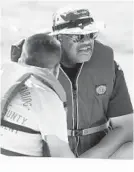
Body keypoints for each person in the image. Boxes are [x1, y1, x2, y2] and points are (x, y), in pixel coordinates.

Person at [10, 7, 133, 159]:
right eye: (78, 37)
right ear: (58, 38)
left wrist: (89, 160)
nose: (87, 42)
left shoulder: (109, 67)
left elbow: (126, 127)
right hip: (50, 156)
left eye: (90, 35)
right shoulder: (38, 64)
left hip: (97, 153)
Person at [0, 33, 75, 157]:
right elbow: (61, 156)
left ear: (20, 59)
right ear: (56, 69)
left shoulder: (3, 73)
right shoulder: (48, 99)